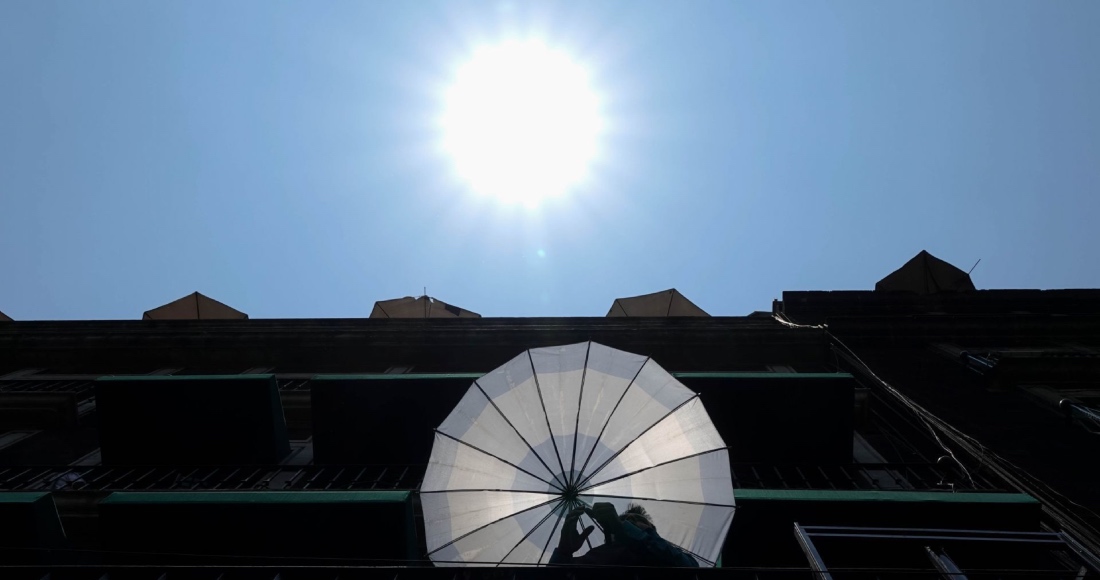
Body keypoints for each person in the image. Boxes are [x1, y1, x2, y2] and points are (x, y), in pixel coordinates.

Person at [549, 502, 698, 567]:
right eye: (623, 520)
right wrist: (564, 552)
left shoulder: (673, 554)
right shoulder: (595, 556)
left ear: (652, 529)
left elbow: (688, 570)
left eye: (636, 520)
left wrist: (624, 531)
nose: (628, 522)